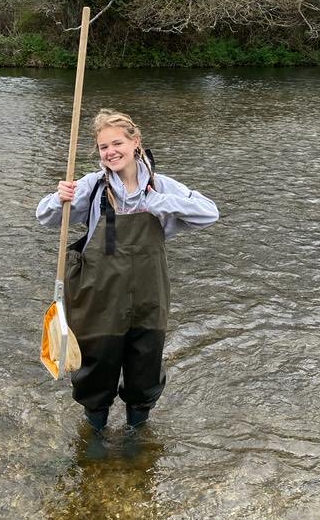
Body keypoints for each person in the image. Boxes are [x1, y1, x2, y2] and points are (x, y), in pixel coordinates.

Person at [36, 108, 219, 431]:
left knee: (145, 369)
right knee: (96, 372)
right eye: (104, 147)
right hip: (99, 297)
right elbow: (46, 218)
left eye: (117, 143)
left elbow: (209, 213)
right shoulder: (91, 187)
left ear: (136, 142)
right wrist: (58, 198)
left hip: (148, 298)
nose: (111, 152)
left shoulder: (162, 186)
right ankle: (94, 437)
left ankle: (137, 436)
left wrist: (162, 204)